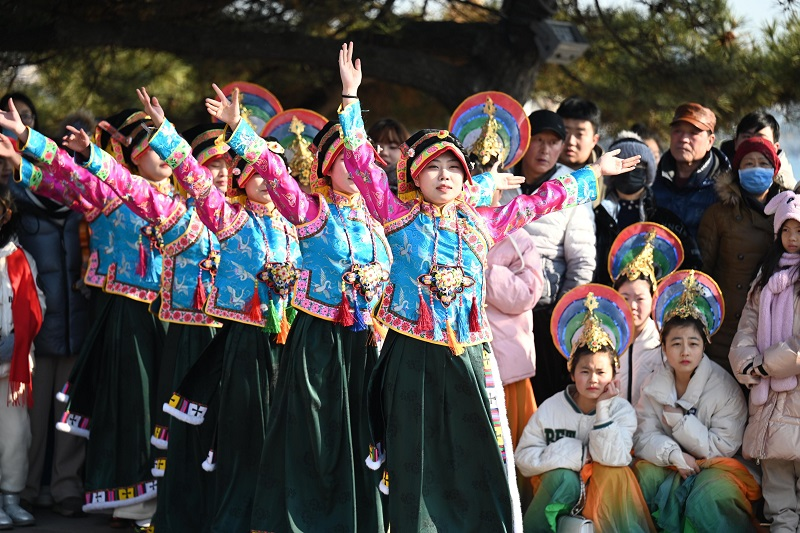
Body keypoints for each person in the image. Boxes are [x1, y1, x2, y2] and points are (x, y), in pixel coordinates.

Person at [337, 41, 639, 532]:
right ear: (416, 173)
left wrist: (592, 174)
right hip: (411, 354)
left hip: (469, 357)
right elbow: (366, 168)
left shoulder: (483, 223)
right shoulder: (396, 217)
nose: (444, 175)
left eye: (453, 167)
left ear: (464, 178)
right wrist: (351, 97)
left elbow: (542, 200)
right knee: (412, 455)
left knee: (473, 453)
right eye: (433, 167)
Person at [207, 76, 391, 531]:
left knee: (361, 439)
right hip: (317, 345)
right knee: (313, 437)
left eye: (358, 160)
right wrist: (239, 129)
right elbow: (272, 173)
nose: (353, 167)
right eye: (342, 159)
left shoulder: (383, 218)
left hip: (364, 344)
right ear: (326, 166)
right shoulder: (311, 213)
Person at [141, 89, 301, 533]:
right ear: (241, 180)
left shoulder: (300, 227)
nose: (268, 182)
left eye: (276, 174)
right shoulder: (231, 220)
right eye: (257, 175)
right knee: (241, 439)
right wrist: (167, 134)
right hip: (246, 346)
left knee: (280, 438)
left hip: (287, 346)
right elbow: (194, 179)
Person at [515, 285, 654, 533]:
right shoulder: (551, 408)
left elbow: (616, 458)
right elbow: (524, 459)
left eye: (601, 372)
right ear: (571, 373)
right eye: (584, 371)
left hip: (607, 503)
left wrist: (602, 411)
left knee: (613, 474)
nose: (593, 379)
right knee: (564, 478)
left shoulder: (622, 411)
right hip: (558, 494)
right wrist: (573, 454)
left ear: (614, 374)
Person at [634, 270, 761, 532]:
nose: (685, 351)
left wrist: (680, 423)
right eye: (676, 343)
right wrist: (673, 454)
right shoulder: (654, 384)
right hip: (674, 462)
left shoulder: (724, 387)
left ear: (704, 345)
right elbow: (643, 435)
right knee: (642, 477)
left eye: (693, 343)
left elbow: (723, 446)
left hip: (721, 466)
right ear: (664, 348)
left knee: (708, 496)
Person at [502, 109, 597, 405]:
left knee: (544, 396)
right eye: (538, 140)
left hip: (546, 311)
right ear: (523, 141)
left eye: (553, 142)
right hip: (498, 308)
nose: (545, 149)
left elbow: (582, 261)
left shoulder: (572, 187)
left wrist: (564, 314)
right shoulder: (500, 179)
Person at [729, 190, 800, 531]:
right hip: (770, 405)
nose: (792, 238)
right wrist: (746, 361)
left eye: (799, 230)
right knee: (779, 500)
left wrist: (766, 364)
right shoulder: (765, 278)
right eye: (786, 230)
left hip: (795, 400)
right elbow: (748, 325)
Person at [698, 137, 790, 373]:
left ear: (775, 169)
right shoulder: (718, 214)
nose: (756, 169)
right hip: (723, 329)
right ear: (737, 170)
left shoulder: (789, 214)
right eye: (748, 163)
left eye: (763, 162)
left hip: (774, 330)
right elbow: (701, 275)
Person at [594, 131, 701, 286]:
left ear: (648, 171)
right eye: (623, 164)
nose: (631, 170)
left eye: (638, 164)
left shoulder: (665, 220)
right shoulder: (597, 218)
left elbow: (690, 265)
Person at [0, 184, 44, 528]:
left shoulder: (20, 258)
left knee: (16, 437)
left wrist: (19, 336)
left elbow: (37, 303)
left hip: (13, 366)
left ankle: (11, 497)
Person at [608, 222, 684, 405]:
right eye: (625, 297)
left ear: (653, 300)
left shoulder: (664, 341)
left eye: (640, 299)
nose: (632, 305)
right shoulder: (605, 339)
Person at [652, 102, 730, 238]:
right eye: (678, 131)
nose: (683, 139)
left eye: (693, 133)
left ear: (710, 141)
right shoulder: (653, 181)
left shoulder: (726, 190)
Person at [720, 110, 795, 191]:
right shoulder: (716, 180)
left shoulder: (790, 192)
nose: (753, 143)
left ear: (775, 147)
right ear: (736, 143)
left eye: (760, 138)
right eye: (747, 137)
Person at [367, 118, 409, 195]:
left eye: (392, 147)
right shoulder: (357, 186)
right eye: (376, 147)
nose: (384, 153)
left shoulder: (414, 189)